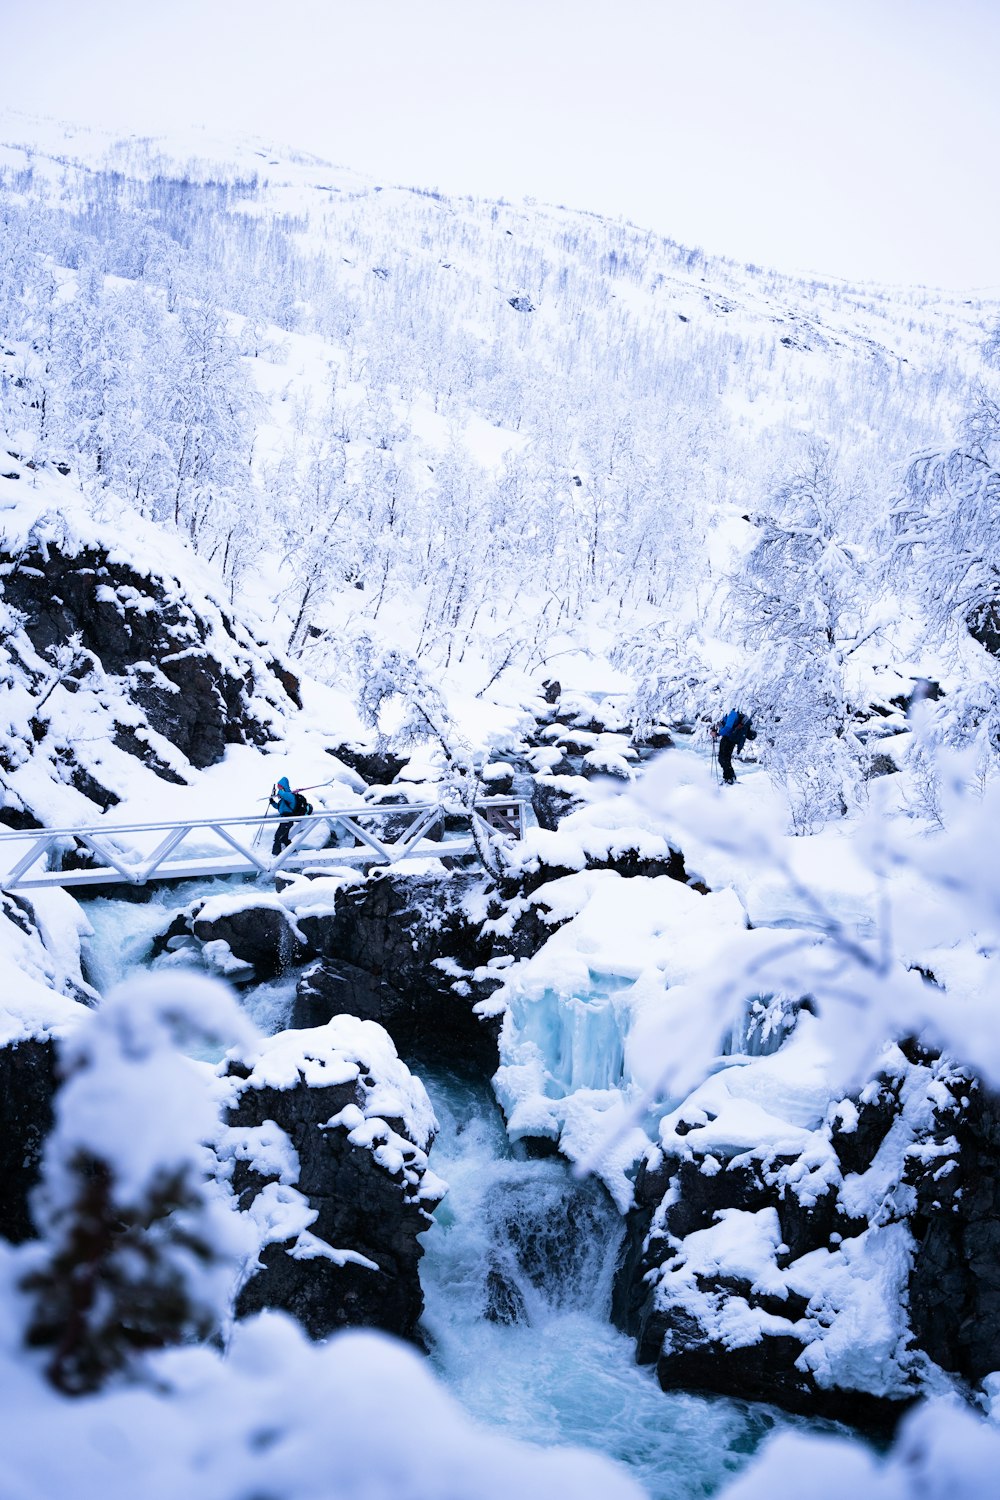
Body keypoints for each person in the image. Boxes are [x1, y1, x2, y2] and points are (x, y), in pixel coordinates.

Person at [717, 710, 754, 785]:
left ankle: (729, 779)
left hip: (730, 738)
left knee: (724, 759)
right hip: (728, 737)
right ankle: (729, 778)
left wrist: (718, 733)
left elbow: (728, 727)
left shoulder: (732, 713)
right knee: (723, 758)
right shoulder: (728, 711)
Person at [269, 776, 298, 855]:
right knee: (284, 838)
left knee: (278, 836)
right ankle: (293, 852)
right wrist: (272, 802)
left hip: (287, 819)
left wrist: (279, 793)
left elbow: (283, 794)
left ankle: (275, 854)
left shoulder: (289, 795)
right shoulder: (284, 798)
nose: (279, 789)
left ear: (284, 786)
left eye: (280, 787)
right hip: (284, 819)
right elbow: (279, 808)